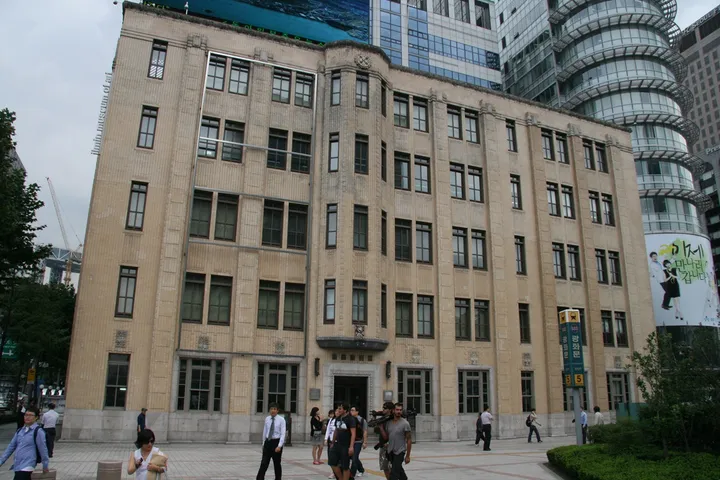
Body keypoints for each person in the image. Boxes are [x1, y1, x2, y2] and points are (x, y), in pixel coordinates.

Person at [0, 406, 50, 479]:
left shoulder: (38, 431)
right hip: (17, 465)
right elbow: (11, 447)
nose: (27, 417)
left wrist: (45, 465)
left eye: (30, 415)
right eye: (26, 415)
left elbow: (43, 449)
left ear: (36, 417)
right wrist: (1, 461)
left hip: (28, 465)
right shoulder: (20, 431)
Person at [257, 402, 286, 480]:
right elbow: (265, 431)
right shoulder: (267, 419)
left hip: (276, 442)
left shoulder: (281, 420)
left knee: (277, 464)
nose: (273, 411)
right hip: (268, 442)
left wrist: (279, 446)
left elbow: (283, 434)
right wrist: (264, 443)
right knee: (264, 463)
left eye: (274, 409)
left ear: (277, 410)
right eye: (271, 409)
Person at [328, 403, 356, 480]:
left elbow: (353, 434)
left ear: (345, 410)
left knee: (345, 466)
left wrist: (351, 447)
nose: (338, 410)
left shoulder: (350, 419)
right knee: (332, 462)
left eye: (340, 408)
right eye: (338, 408)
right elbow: (336, 430)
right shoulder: (338, 418)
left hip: (346, 445)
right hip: (337, 444)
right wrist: (332, 442)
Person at [386, 403, 411, 480]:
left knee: (394, 473)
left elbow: (409, 440)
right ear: (393, 410)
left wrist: (407, 456)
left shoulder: (405, 423)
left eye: (400, 410)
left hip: (400, 451)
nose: (399, 411)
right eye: (397, 410)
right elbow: (387, 436)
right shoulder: (388, 423)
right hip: (391, 451)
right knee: (399, 471)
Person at [374, 402, 395, 480]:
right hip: (383, 445)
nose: (383, 409)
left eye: (385, 408)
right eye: (383, 408)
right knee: (384, 466)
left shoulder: (392, 420)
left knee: (391, 467)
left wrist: (381, 427)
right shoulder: (383, 418)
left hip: (390, 446)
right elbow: (376, 431)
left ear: (390, 410)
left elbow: (386, 437)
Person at [349, 406, 368, 479]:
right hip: (350, 441)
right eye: (351, 410)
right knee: (353, 457)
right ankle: (361, 469)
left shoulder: (362, 420)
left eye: (353, 410)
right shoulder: (349, 419)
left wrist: (365, 442)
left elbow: (365, 431)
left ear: (357, 412)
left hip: (358, 441)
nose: (351, 412)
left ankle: (351, 475)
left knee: (354, 458)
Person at [324, 408, 338, 479]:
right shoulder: (330, 420)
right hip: (331, 440)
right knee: (330, 457)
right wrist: (326, 439)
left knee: (336, 458)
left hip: (337, 441)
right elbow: (328, 430)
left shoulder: (339, 420)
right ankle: (334, 471)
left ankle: (335, 472)